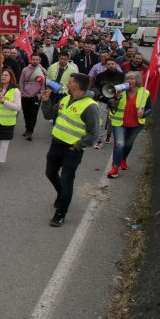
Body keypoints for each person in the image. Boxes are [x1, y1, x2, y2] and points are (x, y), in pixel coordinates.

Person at [40, 73, 99, 227]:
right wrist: (45, 101)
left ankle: (60, 213)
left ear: (77, 85)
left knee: (67, 181)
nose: (67, 82)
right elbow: (48, 115)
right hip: (56, 144)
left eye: (70, 81)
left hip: (72, 150)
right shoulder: (65, 99)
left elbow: (93, 134)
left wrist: (77, 146)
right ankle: (62, 194)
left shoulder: (90, 106)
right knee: (50, 173)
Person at [106, 71, 152, 178]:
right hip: (119, 123)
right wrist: (116, 97)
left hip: (136, 124)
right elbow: (111, 104)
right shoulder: (120, 90)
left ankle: (123, 159)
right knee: (119, 144)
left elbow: (150, 109)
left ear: (137, 81)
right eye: (127, 79)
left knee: (128, 144)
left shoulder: (145, 92)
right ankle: (115, 168)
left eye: (132, 79)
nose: (129, 81)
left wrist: (144, 114)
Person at [0, 68, 21, 174]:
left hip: (6, 121)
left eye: (6, 75)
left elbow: (17, 107)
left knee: (3, 143)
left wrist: (4, 101)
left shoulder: (15, 90)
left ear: (11, 78)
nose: (4, 77)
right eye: (2, 75)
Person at [91, 58, 123, 148]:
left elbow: (125, 87)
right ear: (106, 65)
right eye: (108, 64)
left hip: (116, 102)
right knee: (101, 120)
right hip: (103, 101)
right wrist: (99, 95)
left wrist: (119, 96)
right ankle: (99, 140)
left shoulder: (121, 75)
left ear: (116, 64)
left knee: (112, 122)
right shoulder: (100, 75)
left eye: (112, 64)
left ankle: (108, 135)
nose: (110, 65)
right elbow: (95, 87)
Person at [18, 54, 45, 141]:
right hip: (25, 96)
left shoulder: (41, 70)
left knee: (33, 114)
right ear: (31, 60)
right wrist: (21, 92)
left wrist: (40, 94)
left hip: (36, 96)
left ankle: (30, 131)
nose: (35, 61)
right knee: (26, 114)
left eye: (37, 60)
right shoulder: (25, 70)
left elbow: (44, 83)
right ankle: (27, 128)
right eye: (34, 59)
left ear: (39, 60)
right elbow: (21, 82)